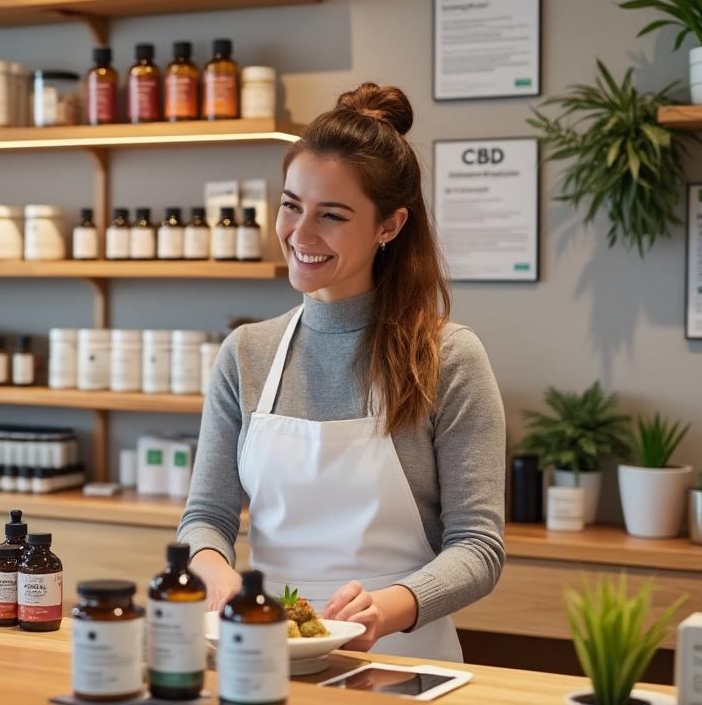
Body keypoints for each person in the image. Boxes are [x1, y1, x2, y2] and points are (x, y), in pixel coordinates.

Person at [177, 84, 506, 662]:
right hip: (264, 653)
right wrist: (215, 570)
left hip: (404, 659)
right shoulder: (246, 353)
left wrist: (389, 606)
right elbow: (205, 517)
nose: (300, 235)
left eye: (331, 215)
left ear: (390, 225)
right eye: (290, 205)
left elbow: (479, 548)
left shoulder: (448, 357)